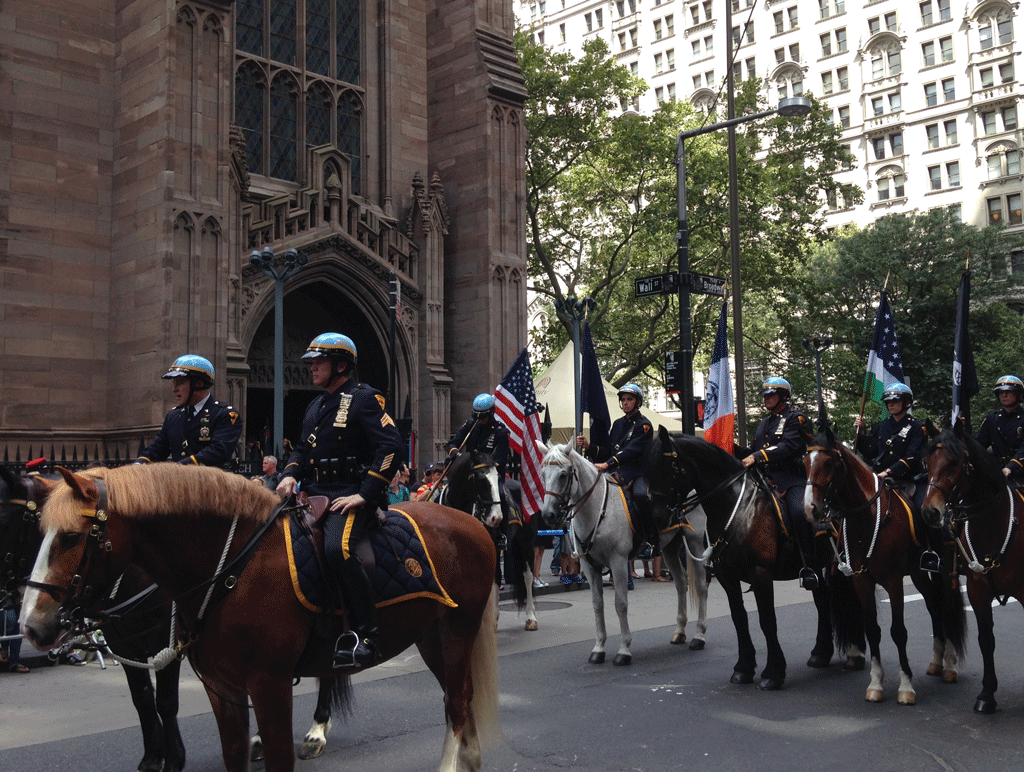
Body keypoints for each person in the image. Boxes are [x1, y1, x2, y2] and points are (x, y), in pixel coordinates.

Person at [276, 333, 404, 668]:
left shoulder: (364, 398)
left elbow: (391, 446)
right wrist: (289, 474)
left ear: (341, 365)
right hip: (313, 494)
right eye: (312, 361)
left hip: (349, 493)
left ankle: (367, 635)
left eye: (319, 361)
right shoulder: (315, 406)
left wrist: (364, 494)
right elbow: (302, 450)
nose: (312, 367)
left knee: (338, 548)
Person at [575, 383, 661, 576]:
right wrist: (589, 447)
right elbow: (608, 451)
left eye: (629, 399)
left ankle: (651, 541)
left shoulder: (644, 425)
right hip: (617, 472)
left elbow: (632, 451)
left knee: (640, 495)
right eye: (623, 399)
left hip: (638, 472)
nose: (625, 403)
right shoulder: (618, 424)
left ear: (638, 402)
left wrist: (608, 464)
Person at [737, 376, 815, 587]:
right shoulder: (765, 422)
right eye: (765, 396)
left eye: (771, 395)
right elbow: (755, 451)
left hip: (789, 478)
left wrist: (758, 456)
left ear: (783, 396)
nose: (767, 399)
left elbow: (789, 446)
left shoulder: (795, 418)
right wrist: (735, 449)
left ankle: (809, 565)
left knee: (800, 513)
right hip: (763, 478)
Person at [136, 355, 242, 467]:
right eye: (174, 383)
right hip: (180, 482)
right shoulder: (173, 416)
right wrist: (138, 465)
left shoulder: (224, 414)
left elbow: (218, 452)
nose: (174, 389)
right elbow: (157, 450)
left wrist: (179, 467)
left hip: (210, 482)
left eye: (180, 382)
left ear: (199, 383)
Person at [853, 383, 927, 487]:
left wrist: (889, 471)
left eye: (895, 401)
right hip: (880, 479)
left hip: (908, 481)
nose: (891, 404)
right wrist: (859, 433)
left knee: (923, 503)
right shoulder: (882, 425)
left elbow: (912, 457)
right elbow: (871, 453)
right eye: (888, 401)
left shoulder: (917, 427)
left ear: (907, 402)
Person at [445, 394, 510, 477]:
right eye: (478, 418)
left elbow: (500, 461)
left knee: (501, 490)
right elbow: (452, 444)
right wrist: (457, 454)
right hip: (469, 471)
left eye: (483, 417)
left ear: (491, 413)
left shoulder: (501, 432)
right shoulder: (470, 425)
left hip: (491, 474)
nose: (480, 420)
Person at [975, 375, 1024, 478]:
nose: (1004, 395)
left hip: (1020, 473)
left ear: (1018, 394)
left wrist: (1010, 467)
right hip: (997, 473)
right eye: (1001, 392)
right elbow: (979, 445)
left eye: (1009, 392)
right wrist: (962, 431)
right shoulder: (992, 419)